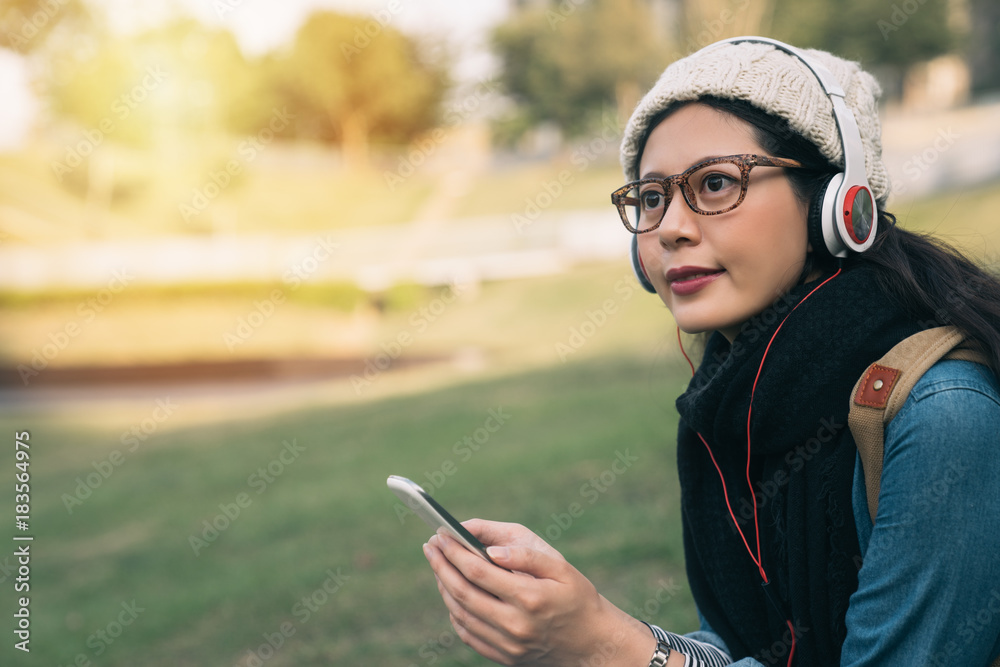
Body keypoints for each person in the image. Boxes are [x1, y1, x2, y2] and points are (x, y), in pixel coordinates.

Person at [422, 36, 1000, 667]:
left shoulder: (943, 416)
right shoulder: (728, 404)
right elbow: (739, 651)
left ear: (835, 207)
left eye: (717, 183)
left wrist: (606, 647)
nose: (671, 226)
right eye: (650, 197)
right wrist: (582, 629)